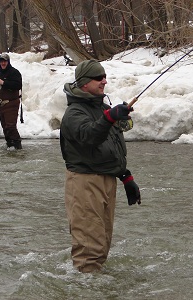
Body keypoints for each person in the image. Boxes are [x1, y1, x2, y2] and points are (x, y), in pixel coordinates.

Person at [60, 59, 141, 273]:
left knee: (102, 245)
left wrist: (126, 177)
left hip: (107, 179)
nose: (104, 81)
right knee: (89, 251)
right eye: (98, 78)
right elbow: (90, 137)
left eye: (104, 76)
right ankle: (84, 289)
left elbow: (109, 148)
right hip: (85, 182)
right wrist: (109, 118)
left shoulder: (102, 108)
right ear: (85, 83)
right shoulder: (74, 113)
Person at [0, 53, 23, 150]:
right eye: (1, 61)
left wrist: (3, 82)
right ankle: (9, 144)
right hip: (1, 105)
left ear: (8, 62)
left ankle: (17, 146)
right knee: (5, 127)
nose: (3, 63)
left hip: (12, 103)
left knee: (11, 126)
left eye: (5, 61)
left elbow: (17, 85)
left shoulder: (14, 72)